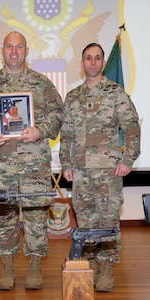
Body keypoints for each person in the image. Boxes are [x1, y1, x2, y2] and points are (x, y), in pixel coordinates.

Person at [0, 31, 63, 290]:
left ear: (26, 50)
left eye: (18, 46)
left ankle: (34, 267)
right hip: (1, 164)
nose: (14, 51)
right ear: (3, 50)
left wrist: (40, 130)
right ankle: (8, 268)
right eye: (9, 46)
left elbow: (58, 114)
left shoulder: (41, 83)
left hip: (34, 164)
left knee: (35, 215)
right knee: (3, 216)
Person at [60, 42, 141, 292]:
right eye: (88, 58)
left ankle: (107, 268)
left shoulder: (115, 93)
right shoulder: (72, 98)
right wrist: (65, 163)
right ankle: (91, 264)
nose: (92, 62)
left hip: (109, 171)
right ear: (82, 63)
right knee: (85, 221)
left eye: (97, 58)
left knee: (108, 220)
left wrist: (128, 160)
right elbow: (67, 134)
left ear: (103, 63)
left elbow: (132, 127)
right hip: (81, 172)